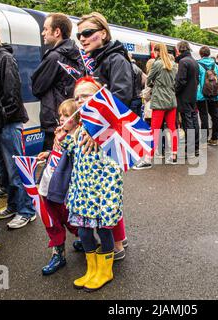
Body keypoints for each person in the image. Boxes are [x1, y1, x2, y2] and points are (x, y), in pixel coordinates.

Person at [55, 77, 123, 292]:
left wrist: (109, 199)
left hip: (101, 194)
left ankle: (105, 270)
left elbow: (115, 166)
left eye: (86, 95)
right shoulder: (82, 128)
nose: (80, 100)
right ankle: (92, 269)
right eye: (78, 97)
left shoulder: (109, 128)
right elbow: (76, 152)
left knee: (103, 232)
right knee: (84, 232)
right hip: (82, 192)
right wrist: (63, 139)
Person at [77, 12, 131, 256]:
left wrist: (94, 130)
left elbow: (120, 98)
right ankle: (119, 239)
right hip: (98, 133)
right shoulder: (99, 59)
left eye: (88, 33)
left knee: (107, 193)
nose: (82, 38)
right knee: (103, 192)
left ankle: (117, 246)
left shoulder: (114, 59)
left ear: (103, 34)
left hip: (107, 137)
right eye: (80, 35)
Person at [0, 25, 36, 228]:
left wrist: (2, 118)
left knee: (15, 169)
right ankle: (13, 205)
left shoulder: (4, 58)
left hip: (8, 123)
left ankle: (27, 210)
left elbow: (12, 94)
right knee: (4, 170)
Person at [38, 99, 80, 275]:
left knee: (72, 220)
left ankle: (85, 239)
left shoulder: (77, 139)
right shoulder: (59, 135)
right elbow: (57, 157)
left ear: (78, 119)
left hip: (63, 191)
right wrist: (48, 153)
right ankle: (58, 254)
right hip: (47, 187)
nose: (62, 118)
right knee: (52, 222)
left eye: (67, 115)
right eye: (61, 115)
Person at [32, 13, 83, 151]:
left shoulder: (54, 57)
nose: (43, 33)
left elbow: (37, 88)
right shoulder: (77, 55)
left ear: (57, 32)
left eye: (45, 29)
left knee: (52, 166)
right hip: (72, 119)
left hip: (55, 121)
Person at [133, 43, 178, 169]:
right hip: (171, 99)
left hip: (159, 100)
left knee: (154, 130)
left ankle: (147, 159)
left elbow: (148, 79)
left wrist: (155, 83)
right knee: (172, 128)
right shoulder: (174, 65)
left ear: (157, 52)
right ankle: (174, 156)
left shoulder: (157, 64)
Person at [175, 41, 200, 158]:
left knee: (187, 123)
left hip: (184, 96)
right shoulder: (194, 61)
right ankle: (195, 147)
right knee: (194, 121)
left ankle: (189, 150)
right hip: (193, 95)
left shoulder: (183, 61)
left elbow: (181, 81)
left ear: (180, 49)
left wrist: (175, 90)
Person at [196, 45, 218, 147]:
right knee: (214, 116)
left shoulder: (198, 64)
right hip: (214, 93)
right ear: (209, 54)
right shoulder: (214, 65)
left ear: (200, 54)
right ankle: (214, 138)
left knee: (204, 117)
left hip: (201, 94)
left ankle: (204, 140)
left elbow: (197, 79)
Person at [129, 53, 146, 118]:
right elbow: (145, 79)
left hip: (132, 98)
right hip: (139, 97)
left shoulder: (128, 68)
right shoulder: (138, 68)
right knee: (139, 120)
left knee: (130, 120)